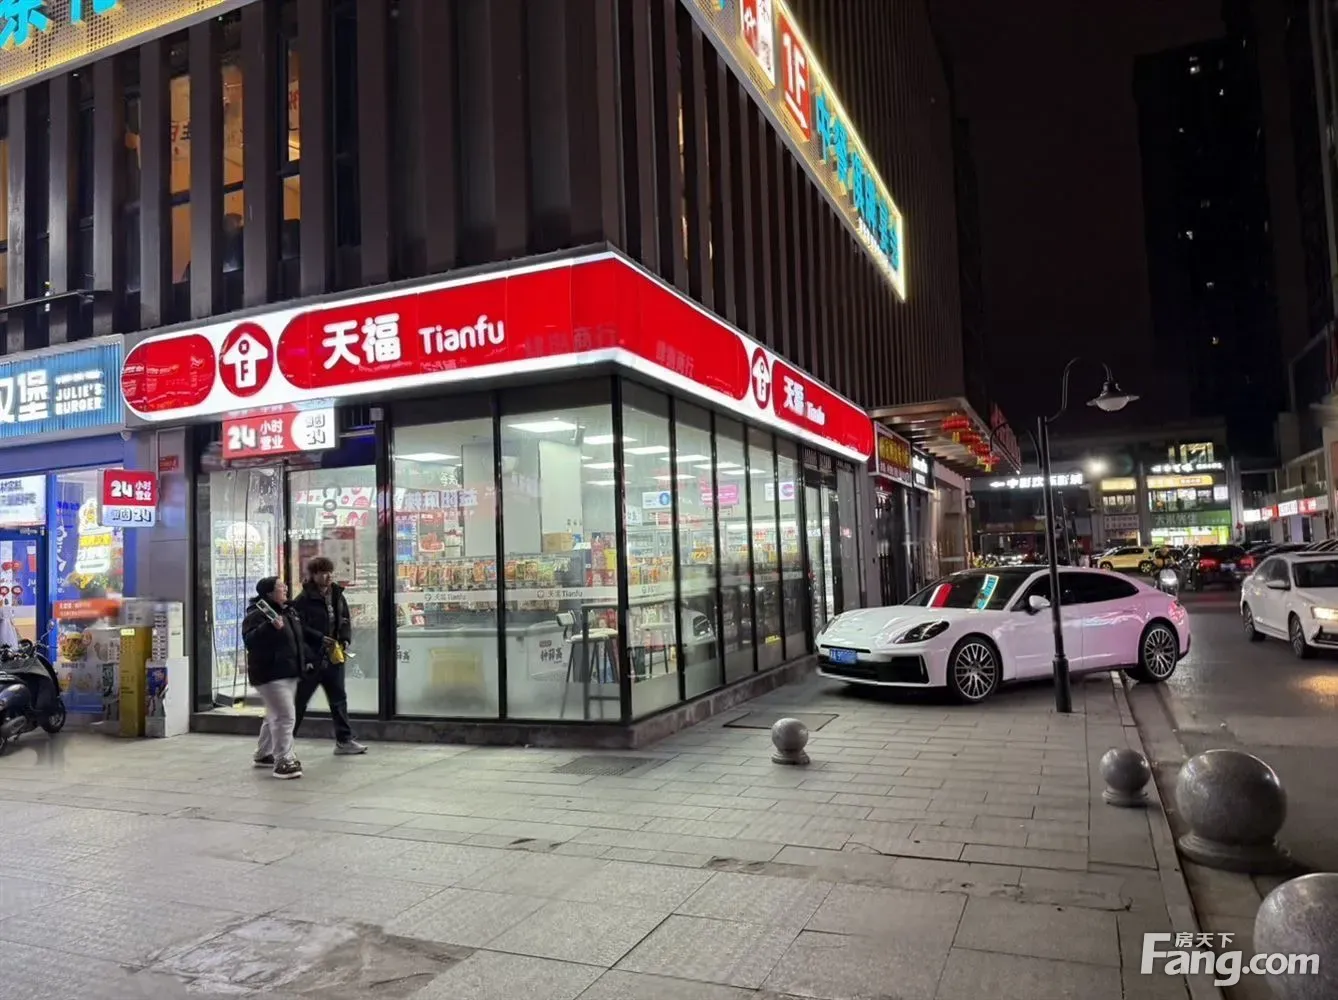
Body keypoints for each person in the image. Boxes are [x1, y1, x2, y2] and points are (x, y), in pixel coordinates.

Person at [292, 556, 367, 755]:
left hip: (334, 656)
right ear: (313, 575)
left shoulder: (337, 594)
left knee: (338, 699)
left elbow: (345, 619)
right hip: (312, 659)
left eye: (330, 572)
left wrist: (345, 638)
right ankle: (284, 744)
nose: (328, 576)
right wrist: (318, 638)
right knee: (299, 702)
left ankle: (344, 740)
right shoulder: (303, 600)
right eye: (323, 573)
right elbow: (298, 628)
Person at [242, 577, 305, 779]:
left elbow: (296, 639)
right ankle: (283, 760)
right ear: (269, 593)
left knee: (275, 714)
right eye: (280, 586)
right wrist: (269, 627)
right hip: (270, 673)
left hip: (288, 671)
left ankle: (263, 753)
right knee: (285, 716)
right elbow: (250, 640)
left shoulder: (287, 611)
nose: (285, 588)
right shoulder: (257, 614)